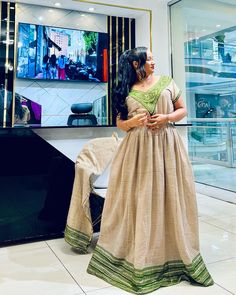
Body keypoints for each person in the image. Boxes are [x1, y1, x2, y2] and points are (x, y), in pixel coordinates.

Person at [86, 47, 214, 294]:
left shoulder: (167, 83)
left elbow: (182, 110)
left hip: (167, 147)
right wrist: (133, 122)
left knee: (170, 197)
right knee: (140, 199)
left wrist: (166, 118)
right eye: (150, 59)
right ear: (136, 64)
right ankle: (140, 251)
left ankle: (172, 251)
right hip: (137, 152)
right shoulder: (125, 90)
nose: (154, 63)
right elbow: (121, 124)